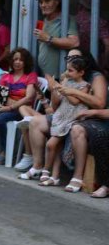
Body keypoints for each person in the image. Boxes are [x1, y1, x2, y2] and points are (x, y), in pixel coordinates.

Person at [17, 48, 107, 176]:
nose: (70, 61)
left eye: (75, 58)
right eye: (68, 58)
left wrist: (73, 91)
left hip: (85, 117)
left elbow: (99, 103)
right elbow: (55, 105)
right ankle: (37, 166)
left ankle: (67, 175)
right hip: (63, 114)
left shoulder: (95, 77)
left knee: (63, 135)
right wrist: (54, 89)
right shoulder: (67, 76)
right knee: (35, 122)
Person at [38, 56, 90, 191]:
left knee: (51, 144)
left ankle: (46, 170)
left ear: (81, 72)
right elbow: (56, 102)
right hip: (61, 116)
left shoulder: (85, 85)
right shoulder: (67, 82)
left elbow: (75, 101)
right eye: (67, 70)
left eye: (71, 71)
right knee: (57, 146)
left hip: (72, 118)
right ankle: (54, 176)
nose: (67, 73)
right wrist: (56, 89)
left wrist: (63, 89)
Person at [0, 48, 37, 164]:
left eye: (21, 60)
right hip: (4, 106)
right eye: (15, 59)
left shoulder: (30, 76)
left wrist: (9, 107)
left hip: (22, 110)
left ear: (26, 62)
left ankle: (5, 151)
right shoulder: (7, 77)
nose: (17, 62)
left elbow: (28, 98)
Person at [33, 0, 79, 77]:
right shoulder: (41, 21)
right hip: (43, 76)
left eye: (47, 1)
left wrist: (48, 38)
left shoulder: (67, 19)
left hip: (61, 77)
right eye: (41, 2)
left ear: (57, 2)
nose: (43, 5)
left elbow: (74, 42)